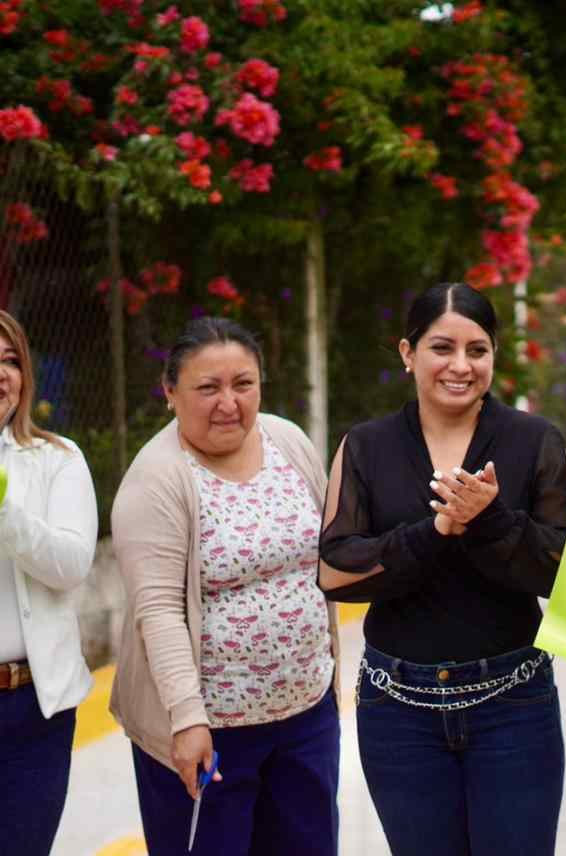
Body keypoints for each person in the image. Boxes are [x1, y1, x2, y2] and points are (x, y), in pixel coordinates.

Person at [318, 282, 566, 856]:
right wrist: (433, 532)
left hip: (513, 703)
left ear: (494, 356)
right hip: (398, 710)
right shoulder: (366, 445)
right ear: (408, 353)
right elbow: (335, 570)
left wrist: (489, 520)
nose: (460, 366)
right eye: (442, 348)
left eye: (477, 350)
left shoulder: (535, 441)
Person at [110, 317, 341, 856]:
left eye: (243, 384)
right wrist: (188, 723)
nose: (229, 403)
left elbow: (328, 554)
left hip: (305, 717)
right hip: (209, 734)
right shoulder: (157, 478)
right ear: (170, 393)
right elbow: (159, 612)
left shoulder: (288, 441)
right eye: (207, 388)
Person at [0, 310, 97, 855]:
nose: (2, 374)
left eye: (11, 361)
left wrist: (3, 504)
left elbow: (71, 565)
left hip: (32, 708)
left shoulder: (57, 460)